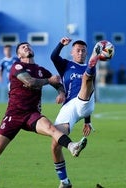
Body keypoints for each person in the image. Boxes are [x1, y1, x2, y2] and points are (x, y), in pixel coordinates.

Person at [0, 42, 87, 188]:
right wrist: (48, 81)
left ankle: (72, 146)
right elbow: (30, 82)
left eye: (28, 46)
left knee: (52, 129)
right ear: (19, 55)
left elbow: (57, 84)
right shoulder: (17, 66)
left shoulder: (40, 69)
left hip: (32, 115)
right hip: (13, 115)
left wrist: (61, 92)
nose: (27, 47)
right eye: (23, 47)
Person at [50, 37, 101, 187]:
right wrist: (60, 44)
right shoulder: (66, 65)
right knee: (55, 143)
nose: (80, 53)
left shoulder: (88, 68)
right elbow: (53, 57)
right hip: (69, 107)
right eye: (77, 50)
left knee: (87, 78)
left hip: (85, 102)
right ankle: (64, 181)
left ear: (86, 53)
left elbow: (91, 89)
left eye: (83, 51)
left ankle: (94, 58)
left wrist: (88, 120)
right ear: (72, 52)